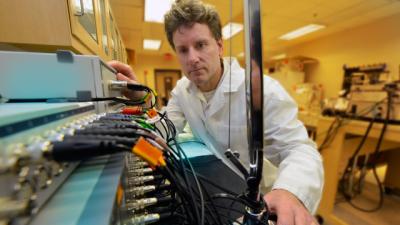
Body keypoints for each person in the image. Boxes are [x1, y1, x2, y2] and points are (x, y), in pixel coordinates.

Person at [109, 0, 323, 224]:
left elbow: (299, 149)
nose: (192, 58)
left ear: (219, 46)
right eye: (183, 50)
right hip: (222, 188)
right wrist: (140, 99)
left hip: (265, 199)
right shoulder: (183, 90)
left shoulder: (262, 90)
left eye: (201, 45)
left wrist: (290, 191)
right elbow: (166, 127)